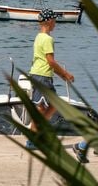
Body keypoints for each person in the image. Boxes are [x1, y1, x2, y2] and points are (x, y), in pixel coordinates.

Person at [26, 8, 75, 150]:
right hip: (43, 76)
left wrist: (62, 76)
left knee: (48, 106)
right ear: (48, 21)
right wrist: (65, 74)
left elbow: (47, 62)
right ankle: (33, 138)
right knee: (45, 108)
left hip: (38, 74)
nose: (55, 23)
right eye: (54, 20)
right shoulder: (48, 39)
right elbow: (51, 62)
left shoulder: (38, 37)